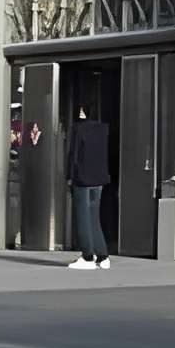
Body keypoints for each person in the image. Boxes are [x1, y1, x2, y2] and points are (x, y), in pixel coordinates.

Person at [63, 104, 113, 268]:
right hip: (99, 179)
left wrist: (69, 177)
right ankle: (103, 256)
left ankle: (87, 257)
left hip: (82, 179)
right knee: (94, 218)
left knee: (83, 218)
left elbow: (74, 156)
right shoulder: (102, 129)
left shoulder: (79, 129)